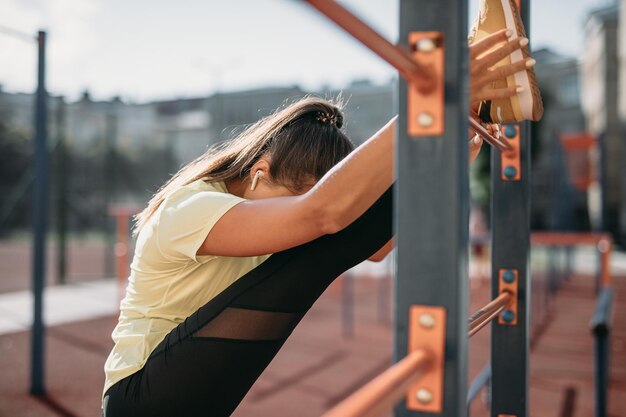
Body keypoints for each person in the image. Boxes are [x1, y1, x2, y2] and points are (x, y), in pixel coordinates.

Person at [101, 29, 535, 417]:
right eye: (299, 196)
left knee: (328, 233)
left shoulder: (266, 215)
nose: (306, 215)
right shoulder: (190, 207)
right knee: (324, 233)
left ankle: (457, 121)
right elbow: (325, 214)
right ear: (259, 171)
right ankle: (450, 112)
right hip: (142, 394)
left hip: (192, 392)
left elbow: (375, 245)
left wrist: (448, 166)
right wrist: (433, 103)